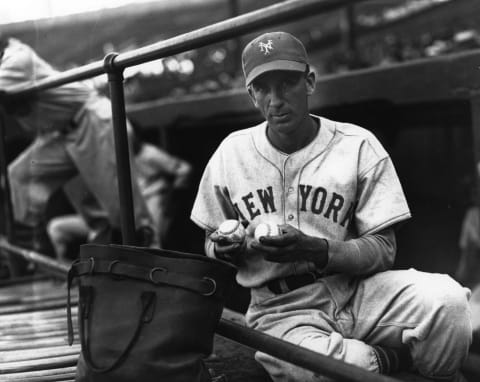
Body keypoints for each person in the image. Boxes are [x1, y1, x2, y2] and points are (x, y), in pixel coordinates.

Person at [190, 31, 472, 381]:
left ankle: (437, 375)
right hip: (280, 309)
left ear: (309, 81)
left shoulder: (357, 144)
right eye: (263, 88)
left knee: (448, 302)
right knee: (336, 369)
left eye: (287, 82)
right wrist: (224, 248)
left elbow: (383, 250)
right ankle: (392, 360)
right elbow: (209, 243)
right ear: (251, 95)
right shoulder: (230, 154)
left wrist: (316, 249)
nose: (275, 100)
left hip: (358, 291)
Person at [0, 36, 157, 249]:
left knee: (126, 216)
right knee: (19, 176)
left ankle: (156, 268)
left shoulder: (17, 58)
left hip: (93, 123)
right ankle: (26, 254)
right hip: (61, 134)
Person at [47, 137, 192, 259]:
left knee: (150, 237)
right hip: (119, 212)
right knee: (58, 228)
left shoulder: (148, 153)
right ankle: (67, 272)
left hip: (150, 200)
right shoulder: (110, 159)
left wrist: (172, 198)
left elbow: (184, 169)